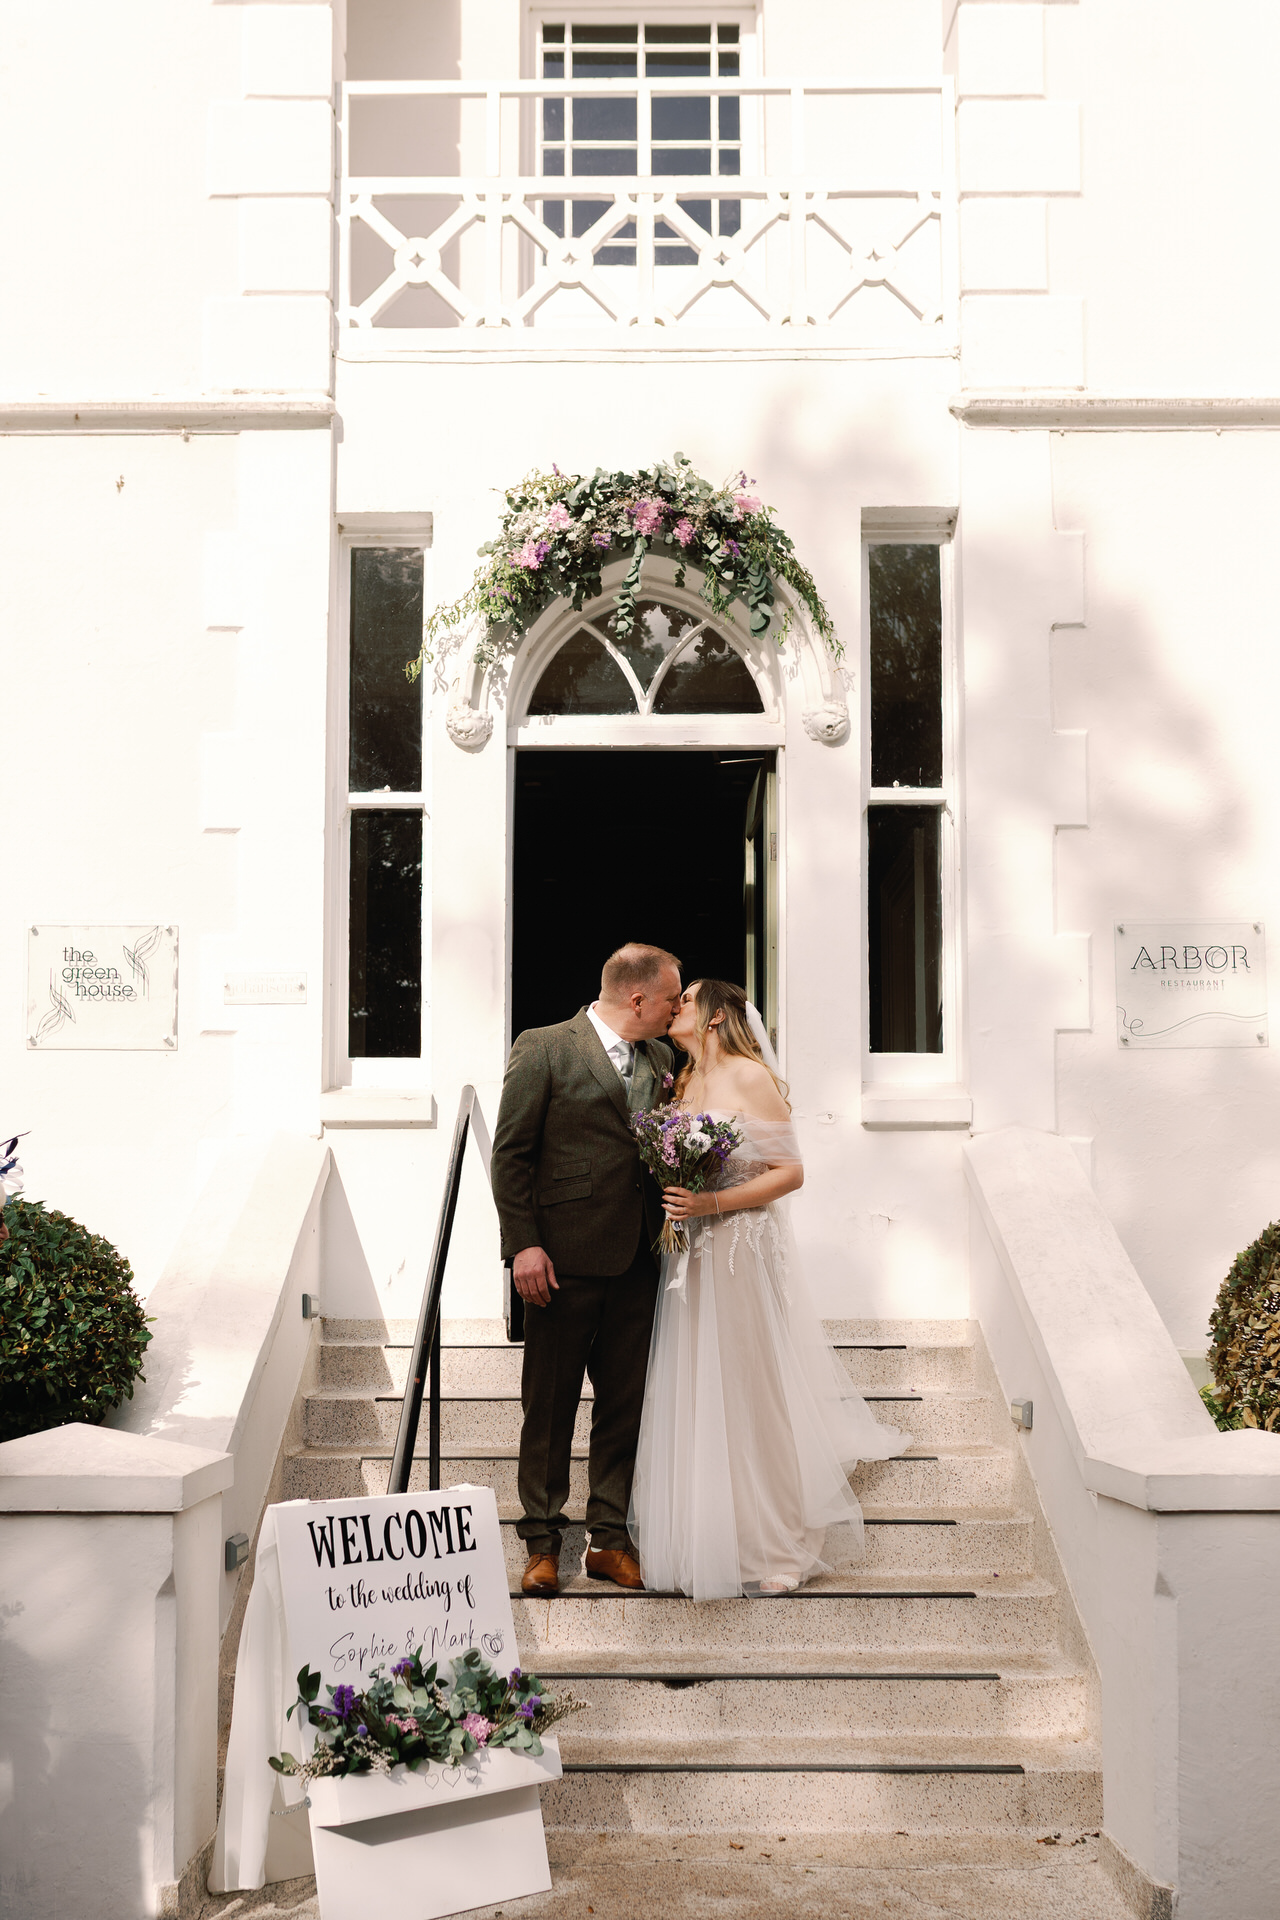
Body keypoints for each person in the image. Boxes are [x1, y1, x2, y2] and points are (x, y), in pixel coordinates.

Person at [629, 980, 911, 1599]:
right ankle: (714, 1539)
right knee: (702, 1392)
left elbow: (791, 1172)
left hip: (739, 1247)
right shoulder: (684, 1082)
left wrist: (710, 1202)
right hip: (692, 1254)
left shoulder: (750, 1077)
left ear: (716, 1017)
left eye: (687, 999)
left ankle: (778, 1543)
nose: (675, 1006)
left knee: (752, 1392)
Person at [490, 942, 681, 1597]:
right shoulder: (544, 1047)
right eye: (671, 999)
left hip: (638, 1260)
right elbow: (511, 1155)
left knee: (624, 1407)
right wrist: (523, 1246)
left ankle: (608, 1541)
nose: (676, 1010)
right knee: (549, 1409)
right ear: (637, 998)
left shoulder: (663, 1060)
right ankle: (542, 1546)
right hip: (559, 1262)